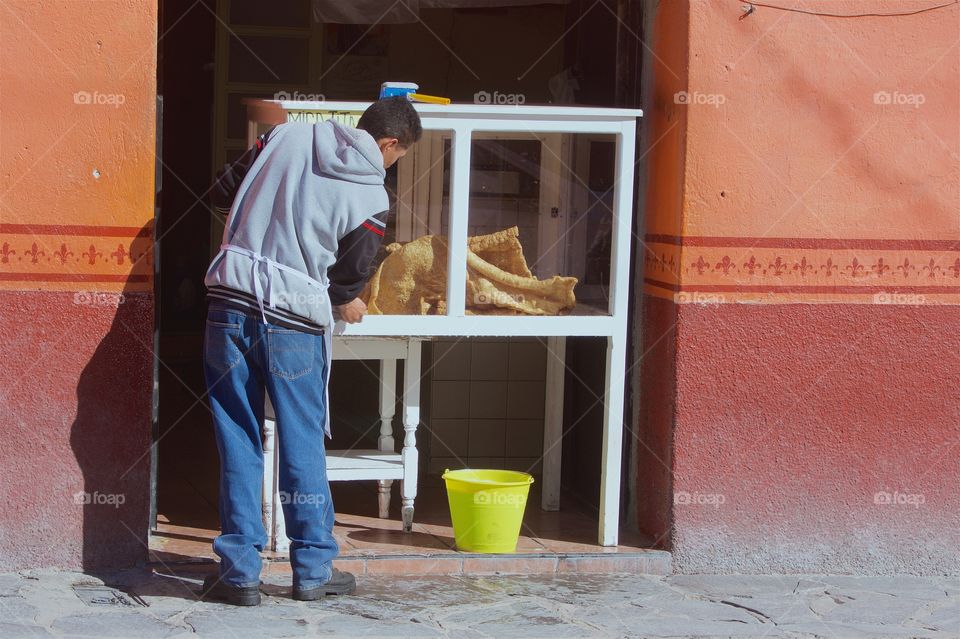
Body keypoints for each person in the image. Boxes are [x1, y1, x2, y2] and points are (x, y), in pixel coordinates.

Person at [198, 96, 422, 606]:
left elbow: (221, 188)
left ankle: (238, 574)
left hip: (228, 305)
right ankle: (314, 568)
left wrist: (257, 229)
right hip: (294, 322)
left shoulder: (284, 136)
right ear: (389, 143)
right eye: (397, 157)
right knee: (301, 441)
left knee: (238, 437)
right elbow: (348, 277)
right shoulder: (371, 195)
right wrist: (346, 300)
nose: (391, 166)